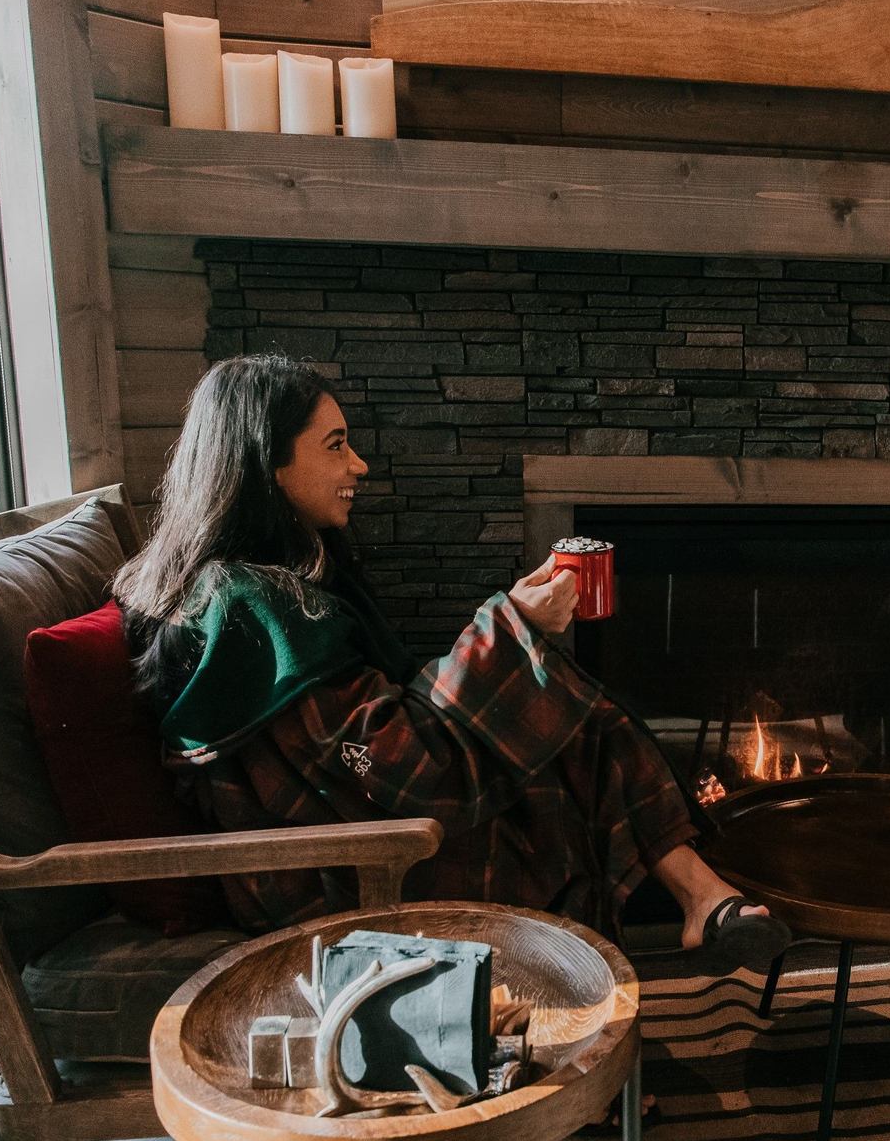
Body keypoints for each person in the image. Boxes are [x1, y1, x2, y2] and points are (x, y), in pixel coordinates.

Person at [114, 354, 790, 976]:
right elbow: (400, 768)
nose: (359, 466)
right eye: (335, 445)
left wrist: (513, 639)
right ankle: (694, 905)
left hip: (362, 824)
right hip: (344, 873)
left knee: (564, 719)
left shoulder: (262, 586)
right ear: (267, 462)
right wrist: (514, 628)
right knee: (564, 730)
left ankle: (703, 899)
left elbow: (378, 734)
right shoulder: (246, 610)